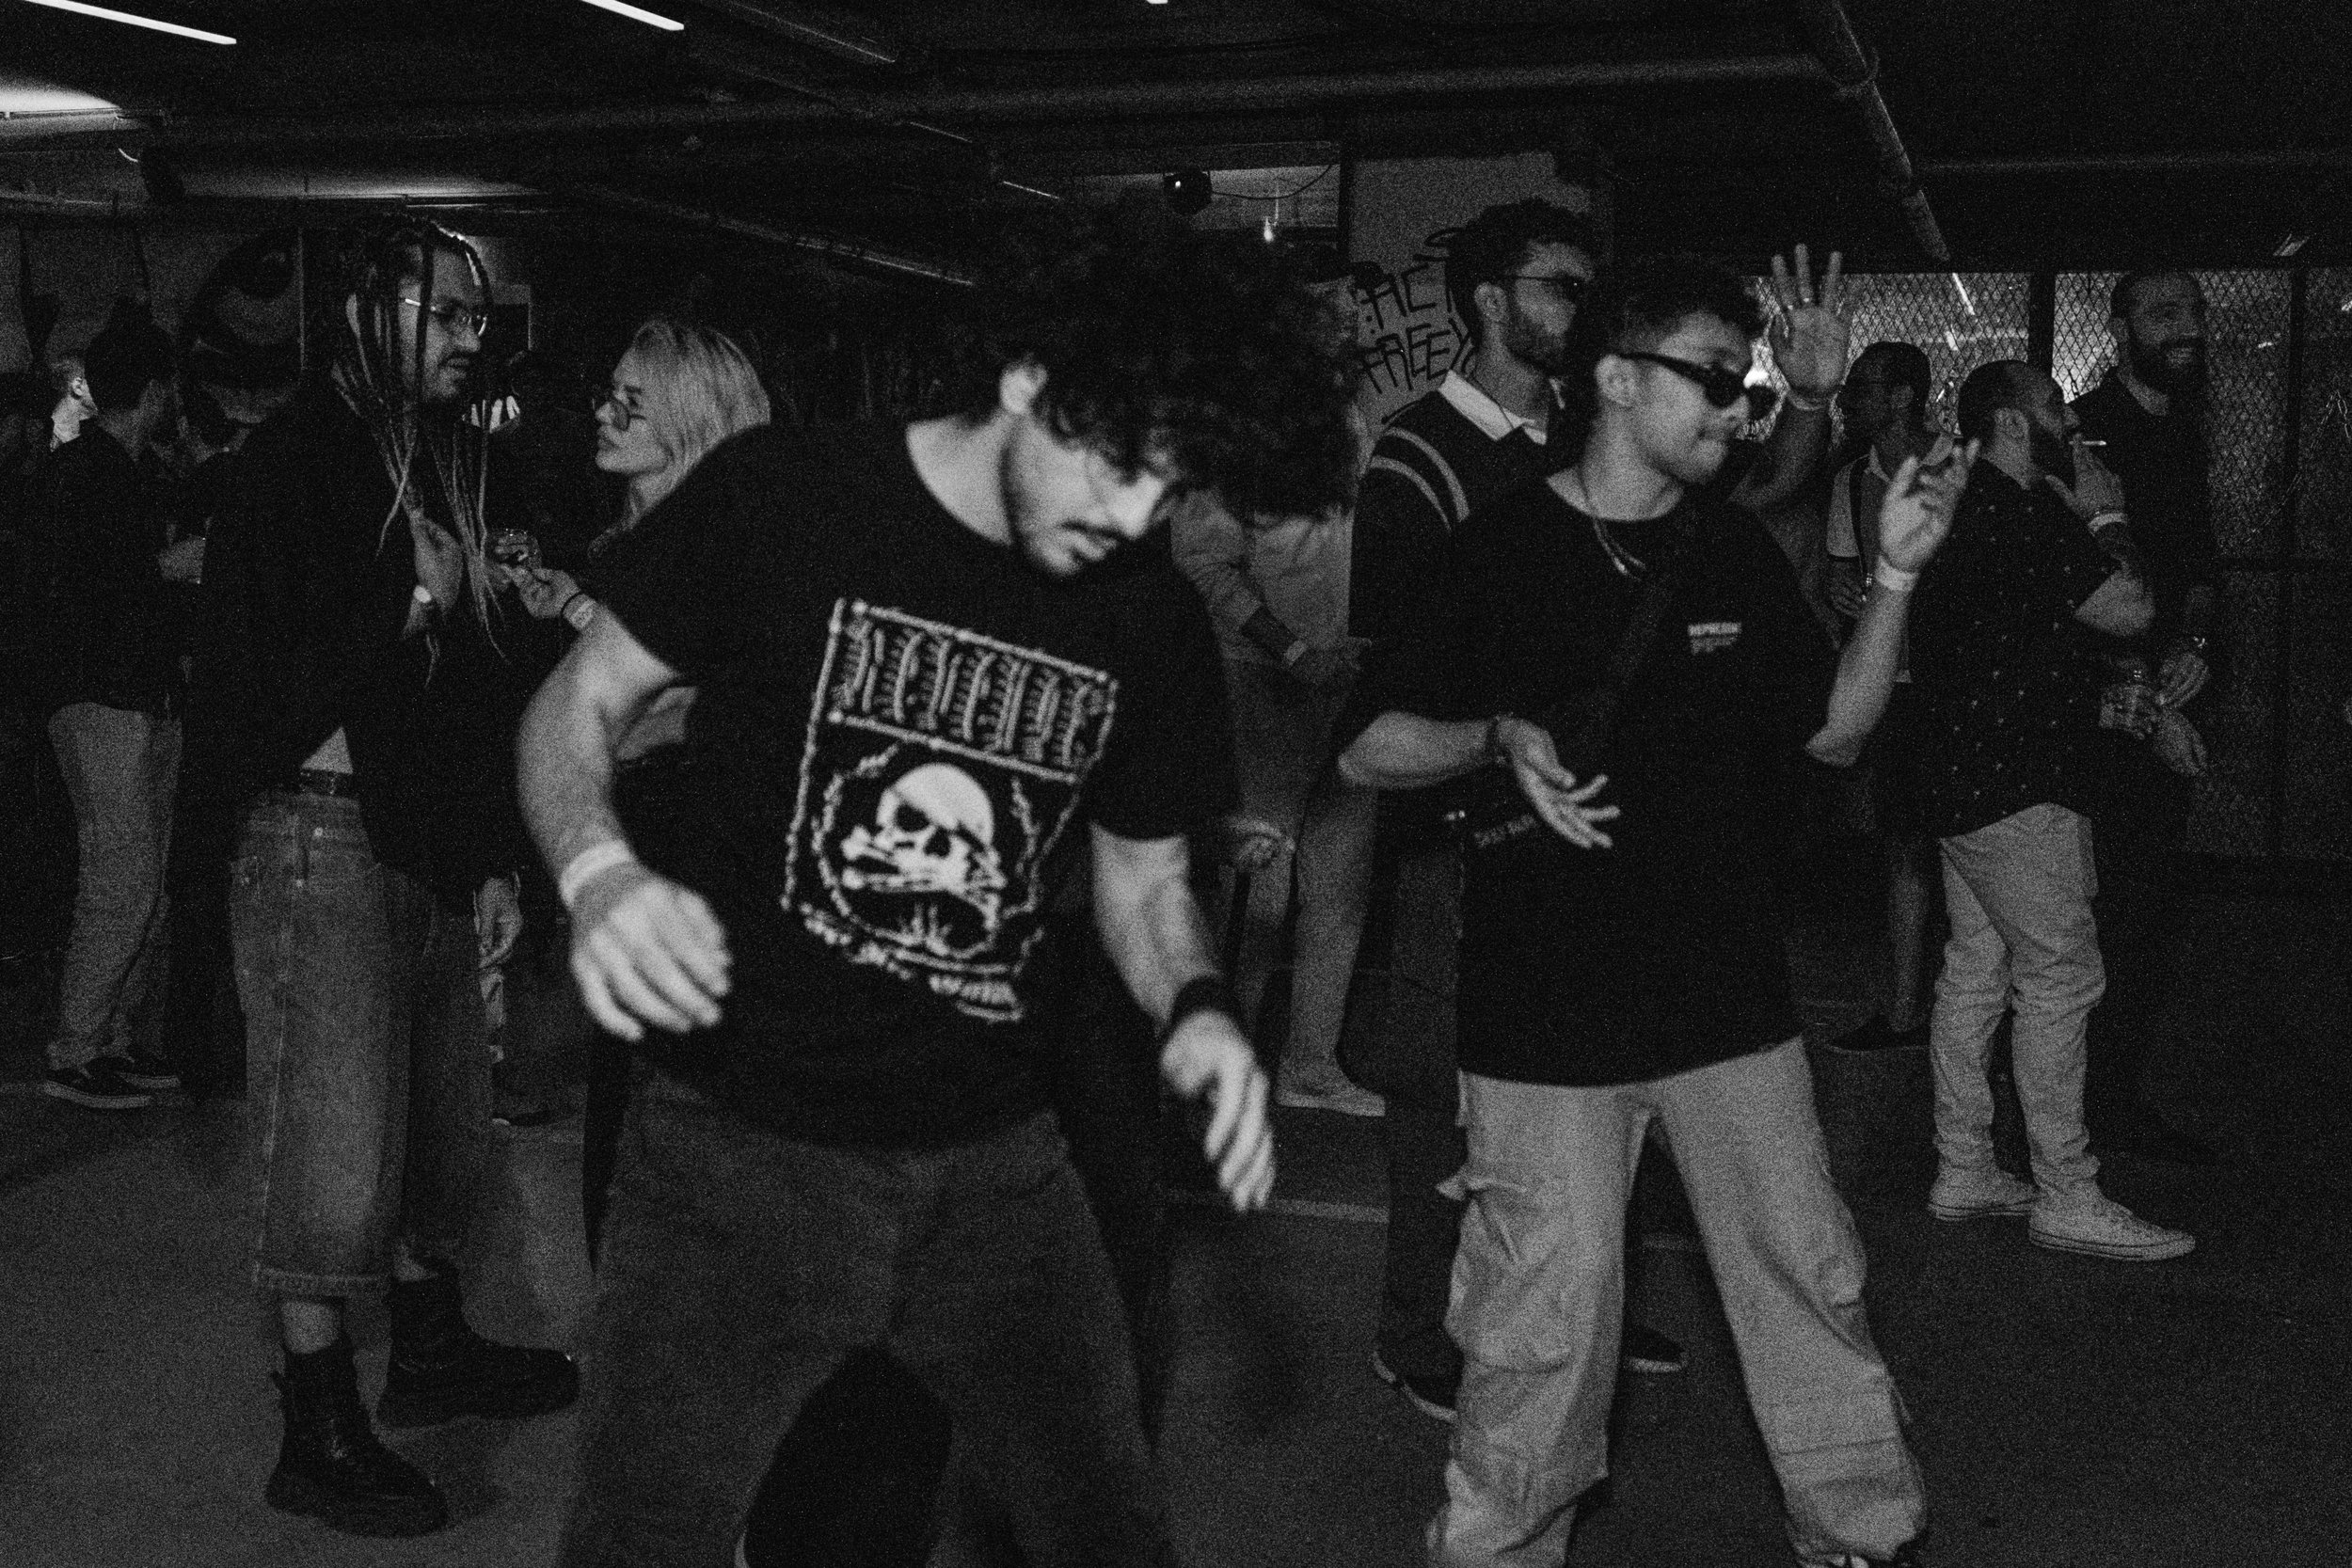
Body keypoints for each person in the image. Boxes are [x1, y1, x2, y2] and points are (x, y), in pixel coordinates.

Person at [518, 200, 1357, 1567]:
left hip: (997, 1171)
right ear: (1030, 380)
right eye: (1120, 465)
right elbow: (576, 705)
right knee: (636, 1540)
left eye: (1175, 484)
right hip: (733, 1152)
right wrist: (600, 874)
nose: (1136, 514)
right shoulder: (787, 495)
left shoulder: (1144, 615)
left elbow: (1143, 883)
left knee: (1101, 1532)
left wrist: (1199, 1004)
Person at [1341, 254, 1965, 1568]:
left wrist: (1898, 579)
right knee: (1541, 1317)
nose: (1737, 408)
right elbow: (1367, 745)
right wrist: (1494, 732)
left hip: (1727, 1004)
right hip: (1544, 1019)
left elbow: (1839, 736)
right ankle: (1501, 1541)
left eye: (1747, 387)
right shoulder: (1502, 550)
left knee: (1810, 1278)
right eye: (1709, 379)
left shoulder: (1725, 546)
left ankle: (1859, 1531)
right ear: (1615, 381)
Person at [1349, 202, 1851, 1424]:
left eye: (1588, 289)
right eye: (1560, 286)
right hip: (1467, 836)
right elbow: (1388, 688)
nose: (1579, 305)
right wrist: (1494, 736)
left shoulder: (1586, 444)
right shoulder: (1418, 461)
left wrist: (1813, 396)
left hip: (1602, 844)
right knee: (1444, 1097)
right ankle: (1423, 1328)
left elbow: (1756, 504)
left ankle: (1581, 1303)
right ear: (1490, 302)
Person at [183, 218, 577, 1539]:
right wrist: (403, 605)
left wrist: (493, 855)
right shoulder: (290, 463)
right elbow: (249, 691)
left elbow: (471, 687)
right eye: (450, 316)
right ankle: (318, 1420)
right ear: (371, 313)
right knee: (334, 1144)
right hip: (322, 833)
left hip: (425, 838)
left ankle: (431, 1340)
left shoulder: (449, 454)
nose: (474, 340)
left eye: (478, 320)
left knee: (441, 1131)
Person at [1908, 360, 2195, 1262]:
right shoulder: (2026, 512)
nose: (2071, 422)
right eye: (2055, 408)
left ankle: (1964, 1166)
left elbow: (2027, 646)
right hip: (2022, 784)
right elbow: (2131, 608)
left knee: (1977, 972)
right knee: (2062, 978)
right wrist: (2106, 512)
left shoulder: (1968, 509)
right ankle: (2067, 1190)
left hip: (1958, 779)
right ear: (2012, 421)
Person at [21, 306, 197, 1108]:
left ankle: (111, 1040)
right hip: (102, 695)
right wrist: (170, 567)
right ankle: (77, 1047)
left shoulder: (115, 472)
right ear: (155, 391)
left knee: (145, 878)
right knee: (123, 875)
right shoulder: (89, 475)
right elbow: (88, 591)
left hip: (134, 692)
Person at [2069, 270, 2223, 1165]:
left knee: (2146, 919)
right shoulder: (2090, 433)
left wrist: (2195, 638)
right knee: (2106, 921)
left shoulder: (2181, 429)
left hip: (2161, 698)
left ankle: (2109, 1103)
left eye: (2195, 311)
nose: (2189, 327)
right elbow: (2084, 591)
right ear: (2119, 322)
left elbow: (2196, 560)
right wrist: (2153, 700)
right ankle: (2084, 1116)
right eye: (2166, 312)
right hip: (2104, 716)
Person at [1168, 476, 1373, 1114]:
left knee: (1341, 882)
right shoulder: (1245, 429)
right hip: (1262, 676)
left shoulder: (1349, 417)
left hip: (1347, 674)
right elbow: (1200, 564)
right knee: (1260, 882)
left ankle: (1309, 1067)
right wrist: (1291, 650)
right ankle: (1215, 1071)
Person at [1823, 341, 1946, 1048]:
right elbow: (1844, 575)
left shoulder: (1965, 471)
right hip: (1896, 688)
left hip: (1961, 686)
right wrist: (1840, 591)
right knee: (1905, 845)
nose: (1848, 401)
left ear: (1902, 397)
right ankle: (1906, 1012)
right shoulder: (1852, 481)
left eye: (1862, 388)